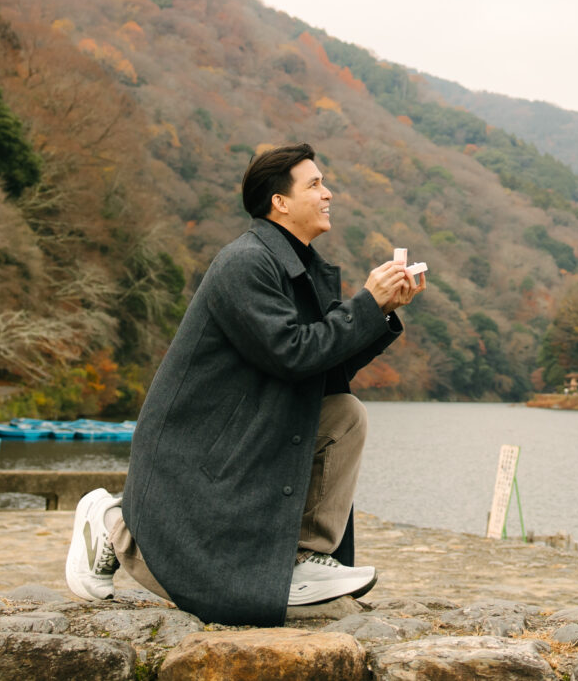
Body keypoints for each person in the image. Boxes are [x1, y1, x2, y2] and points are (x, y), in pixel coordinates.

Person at [62, 143, 424, 623]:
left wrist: (379, 309)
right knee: (212, 584)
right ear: (279, 202)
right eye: (314, 184)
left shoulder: (302, 267)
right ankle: (111, 523)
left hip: (248, 435)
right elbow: (292, 353)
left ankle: (302, 558)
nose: (327, 193)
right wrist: (364, 304)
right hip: (201, 451)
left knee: (343, 413)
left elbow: (324, 370)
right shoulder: (245, 262)